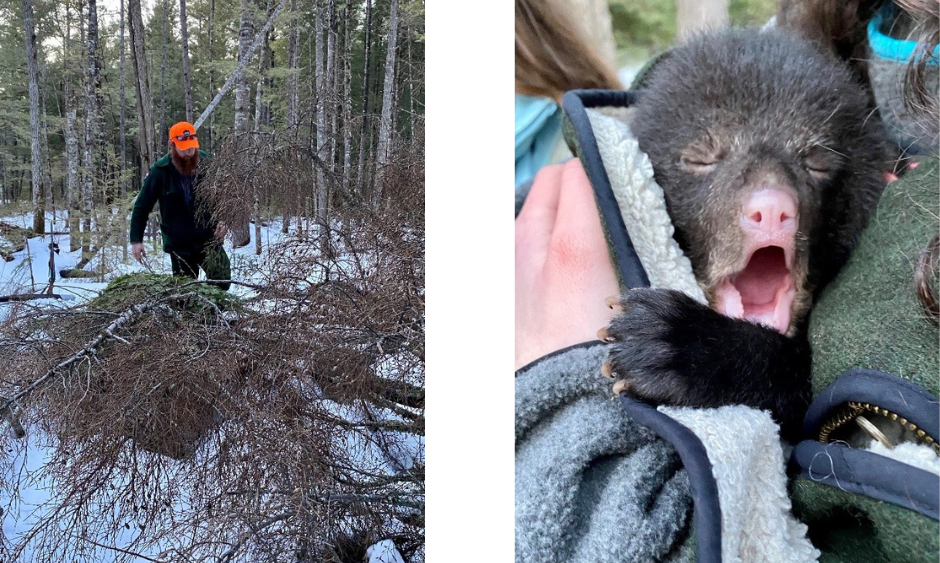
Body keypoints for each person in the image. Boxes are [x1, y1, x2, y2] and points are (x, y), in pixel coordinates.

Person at [129, 121, 231, 291]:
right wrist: (136, 240)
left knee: (222, 280)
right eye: (184, 148)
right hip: (180, 244)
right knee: (185, 292)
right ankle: (194, 317)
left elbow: (226, 194)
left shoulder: (208, 163)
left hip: (209, 238)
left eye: (192, 147)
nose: (190, 152)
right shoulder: (160, 171)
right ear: (172, 144)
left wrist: (225, 218)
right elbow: (142, 206)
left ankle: (212, 313)